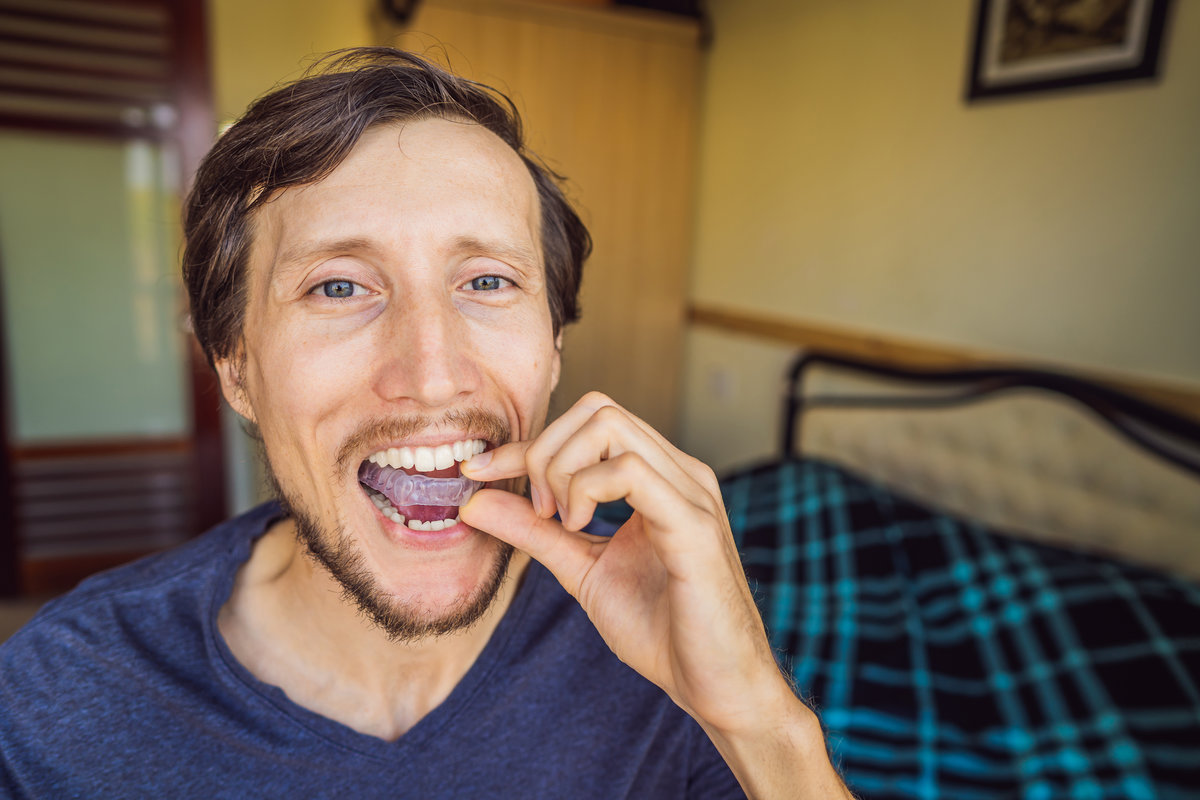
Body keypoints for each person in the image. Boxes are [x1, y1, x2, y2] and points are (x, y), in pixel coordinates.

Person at [0, 49, 853, 799]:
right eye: (339, 286)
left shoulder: (665, 647)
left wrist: (760, 722)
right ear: (237, 368)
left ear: (552, 349)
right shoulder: (53, 702)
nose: (433, 372)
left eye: (486, 281)